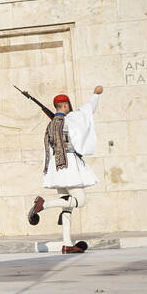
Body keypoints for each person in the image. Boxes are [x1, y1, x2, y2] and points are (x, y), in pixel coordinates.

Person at [28, 85, 103, 253]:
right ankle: (43, 205)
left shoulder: (51, 125)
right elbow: (88, 110)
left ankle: (67, 243)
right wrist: (95, 95)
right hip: (69, 165)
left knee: (66, 207)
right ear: (65, 106)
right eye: (68, 105)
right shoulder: (71, 118)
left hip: (56, 167)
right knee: (80, 200)